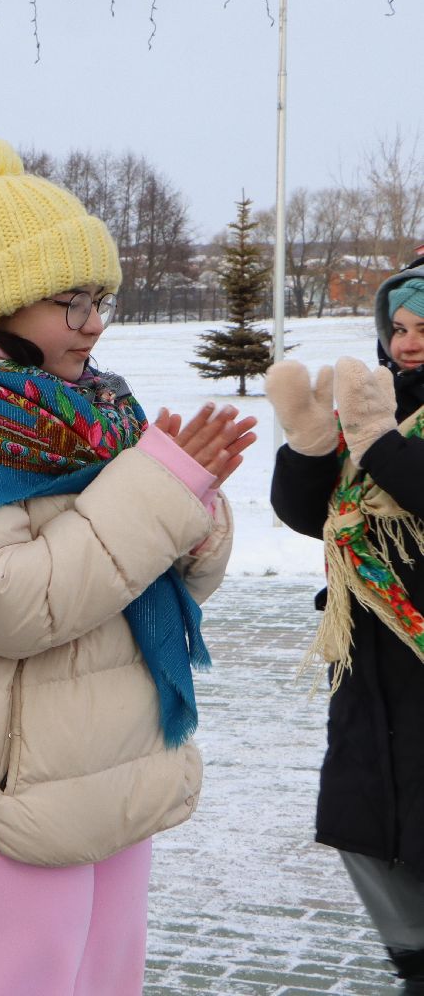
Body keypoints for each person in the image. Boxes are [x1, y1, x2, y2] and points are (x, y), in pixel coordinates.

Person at [0, 137, 254, 994]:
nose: (94, 321)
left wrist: (195, 514)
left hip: (105, 778)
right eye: (68, 300)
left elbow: (168, 575)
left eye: (100, 296)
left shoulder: (93, 409)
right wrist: (160, 495)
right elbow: (14, 603)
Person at [265, 258, 424, 992]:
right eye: (397, 326)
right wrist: (309, 449)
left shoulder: (386, 421)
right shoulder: (386, 404)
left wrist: (381, 442)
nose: (407, 342)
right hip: (373, 678)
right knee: (375, 839)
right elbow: (318, 518)